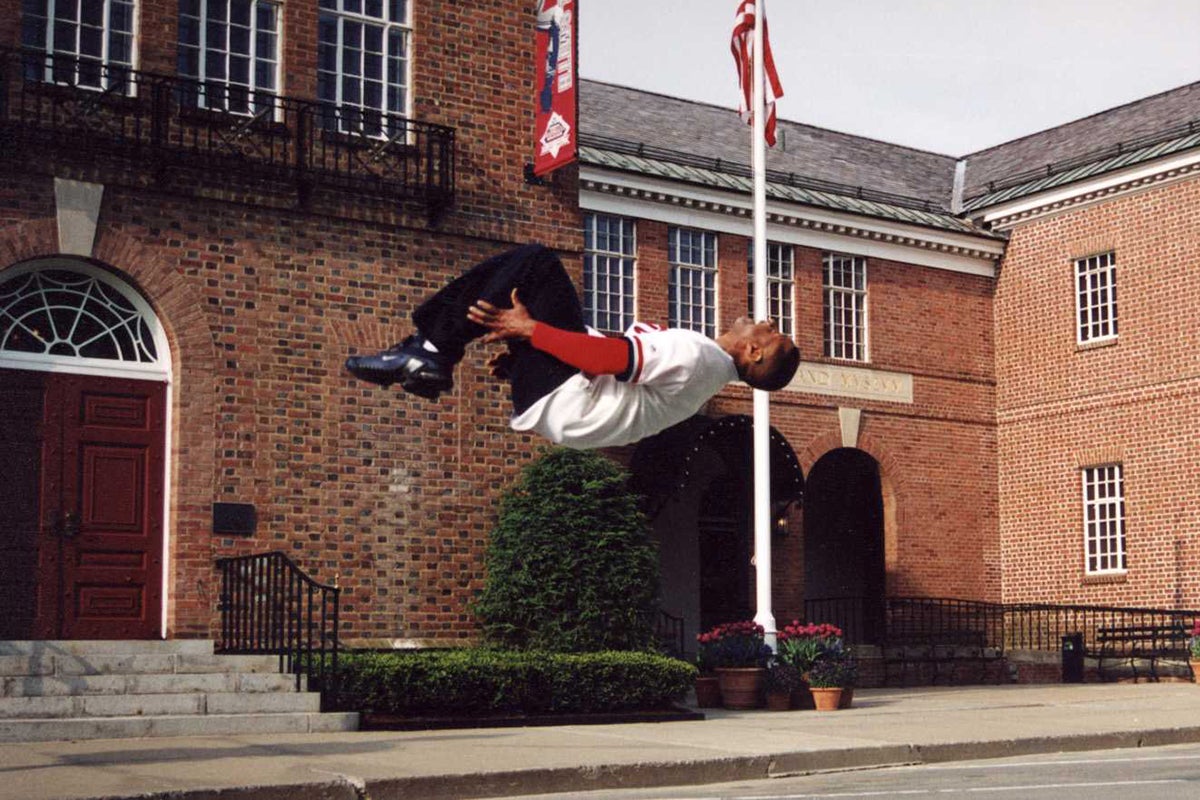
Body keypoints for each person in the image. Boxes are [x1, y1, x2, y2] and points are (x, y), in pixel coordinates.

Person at [345, 243, 799, 449]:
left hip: (565, 397)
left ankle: (428, 349)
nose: (769, 321)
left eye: (772, 331)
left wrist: (531, 333)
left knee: (537, 263)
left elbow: (608, 358)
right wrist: (530, 352)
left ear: (753, 353)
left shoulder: (698, 354)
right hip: (563, 400)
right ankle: (429, 350)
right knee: (526, 286)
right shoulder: (702, 375)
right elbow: (603, 361)